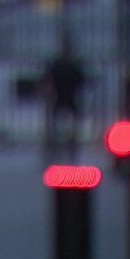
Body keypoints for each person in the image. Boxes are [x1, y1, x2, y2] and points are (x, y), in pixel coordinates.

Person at [42, 32, 85, 162]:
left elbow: (48, 78)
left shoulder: (57, 63)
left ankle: (55, 143)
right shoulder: (73, 64)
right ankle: (70, 143)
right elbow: (80, 79)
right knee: (71, 121)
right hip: (69, 95)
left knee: (55, 121)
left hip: (59, 95)